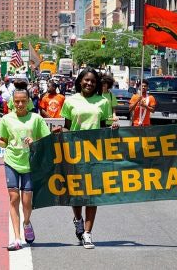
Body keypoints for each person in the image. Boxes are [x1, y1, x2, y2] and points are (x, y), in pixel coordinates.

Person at [53, 67, 119, 249]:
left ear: (97, 85)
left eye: (93, 81)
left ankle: (88, 233)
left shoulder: (103, 102)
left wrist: (112, 128)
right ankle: (78, 219)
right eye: (86, 80)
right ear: (80, 81)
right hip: (74, 152)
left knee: (93, 194)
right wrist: (60, 131)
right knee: (76, 193)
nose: (89, 83)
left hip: (95, 153)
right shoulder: (70, 101)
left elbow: (105, 127)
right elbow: (67, 127)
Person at [0, 88, 50, 251]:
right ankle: (17, 238)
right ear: (12, 102)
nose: (20, 104)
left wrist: (34, 140)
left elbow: (46, 139)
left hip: (29, 164)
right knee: (14, 198)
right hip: (11, 161)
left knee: (27, 202)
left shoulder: (36, 119)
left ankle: (26, 223)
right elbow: (4, 141)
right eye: (17, 101)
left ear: (29, 101)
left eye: (23, 101)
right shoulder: (6, 119)